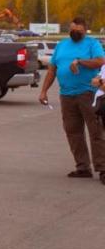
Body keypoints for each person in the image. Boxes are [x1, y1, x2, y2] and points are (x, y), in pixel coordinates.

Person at [38, 17, 105, 181]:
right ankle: (82, 167)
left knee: (96, 132)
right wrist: (43, 91)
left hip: (88, 94)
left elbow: (100, 61)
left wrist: (80, 62)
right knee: (73, 132)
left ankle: (103, 168)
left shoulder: (92, 43)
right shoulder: (61, 45)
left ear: (85, 30)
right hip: (66, 95)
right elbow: (52, 70)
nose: (75, 32)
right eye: (72, 29)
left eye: (78, 30)